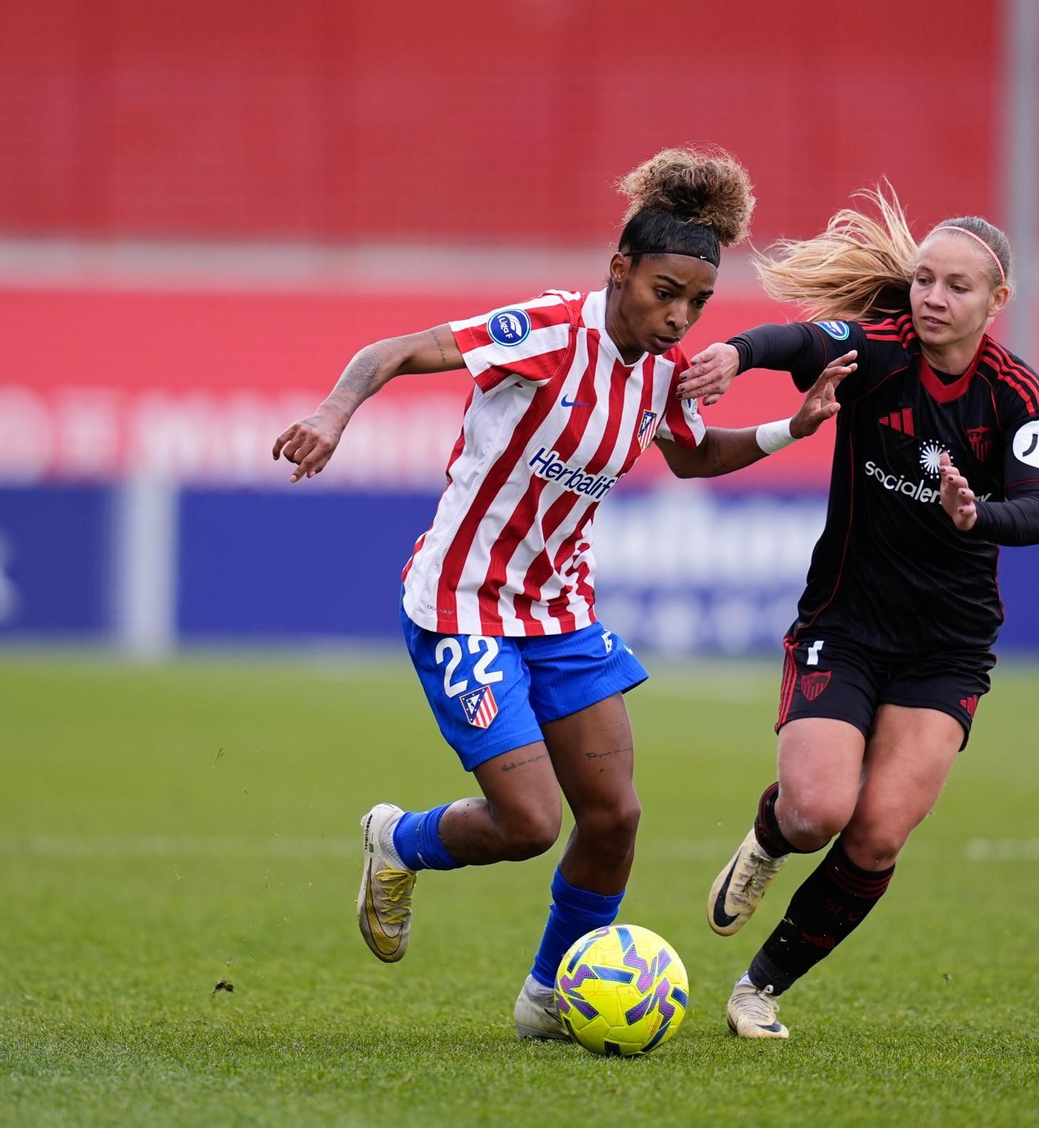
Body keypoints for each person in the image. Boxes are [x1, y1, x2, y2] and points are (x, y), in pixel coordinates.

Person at [269, 146, 849, 1042]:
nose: (679, 315)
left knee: (614, 817)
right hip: (462, 602)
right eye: (665, 291)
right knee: (532, 822)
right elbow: (394, 351)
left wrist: (788, 427)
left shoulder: (665, 370)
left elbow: (692, 455)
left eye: (697, 301)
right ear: (620, 269)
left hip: (559, 611)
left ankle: (548, 1000)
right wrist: (331, 413)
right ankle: (398, 839)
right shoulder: (546, 332)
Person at [674, 188, 1039, 1039]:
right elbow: (800, 341)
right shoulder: (880, 353)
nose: (931, 298)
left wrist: (975, 516)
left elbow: (1037, 512)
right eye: (923, 279)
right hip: (844, 626)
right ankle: (769, 839)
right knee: (816, 813)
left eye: (957, 286)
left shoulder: (1014, 394)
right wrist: (737, 356)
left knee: (878, 833)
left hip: (946, 649)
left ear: (998, 302)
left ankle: (759, 988)